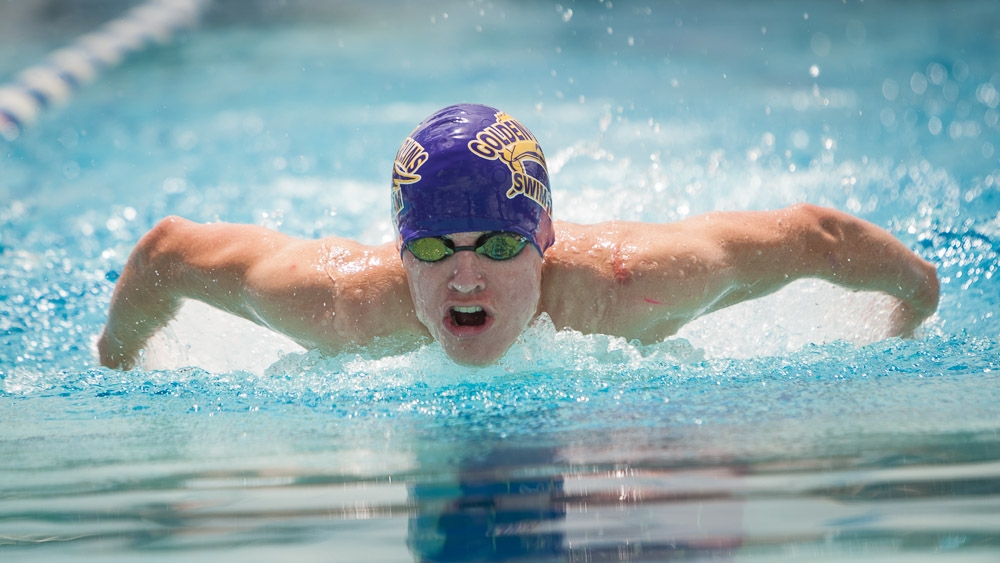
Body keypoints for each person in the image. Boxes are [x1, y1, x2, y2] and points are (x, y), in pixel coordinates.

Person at [97, 103, 940, 370]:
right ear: (400, 252)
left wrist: (918, 302)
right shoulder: (340, 305)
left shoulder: (629, 286)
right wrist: (117, 361)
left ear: (544, 241)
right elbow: (168, 253)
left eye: (497, 247)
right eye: (434, 249)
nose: (465, 279)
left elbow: (816, 237)